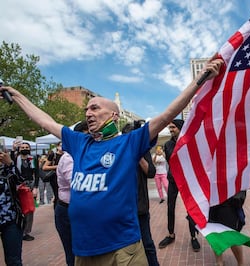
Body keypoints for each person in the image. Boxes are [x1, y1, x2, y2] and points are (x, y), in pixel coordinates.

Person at [0, 58, 223, 265]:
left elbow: (166, 115)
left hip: (123, 250)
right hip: (84, 252)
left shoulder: (129, 143)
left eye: (95, 107)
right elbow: (45, 121)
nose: (88, 112)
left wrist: (200, 79)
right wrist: (18, 96)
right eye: (86, 108)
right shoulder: (79, 143)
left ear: (114, 116)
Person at [158, 119, 201, 252]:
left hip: (187, 180)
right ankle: (171, 234)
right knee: (170, 207)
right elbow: (170, 160)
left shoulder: (189, 141)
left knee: (190, 209)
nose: (171, 130)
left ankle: (193, 237)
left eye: (173, 128)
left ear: (180, 128)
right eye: (170, 128)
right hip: (173, 180)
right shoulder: (167, 145)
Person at [122, 121, 160, 266]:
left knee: (147, 244)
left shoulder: (142, 151)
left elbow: (151, 172)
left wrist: (137, 155)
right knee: (126, 247)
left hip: (140, 207)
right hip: (123, 208)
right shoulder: (119, 152)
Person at [55, 121, 88, 266]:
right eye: (88, 137)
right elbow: (77, 184)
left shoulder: (84, 156)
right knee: (74, 253)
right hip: (67, 211)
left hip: (81, 210)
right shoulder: (69, 158)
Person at [209, 191, 247, 266]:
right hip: (214, 202)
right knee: (215, 234)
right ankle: (219, 262)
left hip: (229, 202)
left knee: (232, 236)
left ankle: (241, 263)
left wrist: (237, 201)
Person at [0, 149, 24, 266]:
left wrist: (10, 164)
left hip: (11, 219)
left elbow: (20, 181)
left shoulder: (6, 169)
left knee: (14, 260)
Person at [11, 142, 37, 241]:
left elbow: (37, 173)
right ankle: (18, 230)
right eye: (22, 147)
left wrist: (35, 187)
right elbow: (11, 164)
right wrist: (13, 149)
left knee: (29, 210)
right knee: (18, 209)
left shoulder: (33, 159)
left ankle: (26, 231)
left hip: (29, 186)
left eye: (26, 147)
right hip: (18, 187)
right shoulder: (16, 158)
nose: (24, 149)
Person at [43, 141, 64, 207]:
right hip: (55, 177)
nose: (62, 147)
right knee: (57, 195)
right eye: (60, 145)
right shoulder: (53, 155)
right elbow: (44, 167)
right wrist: (56, 166)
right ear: (57, 147)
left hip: (64, 177)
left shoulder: (67, 155)